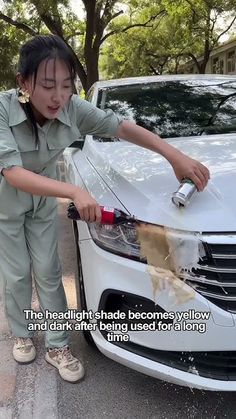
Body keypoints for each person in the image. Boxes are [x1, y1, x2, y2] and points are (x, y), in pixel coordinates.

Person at [0, 34, 210, 383]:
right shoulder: (2, 109)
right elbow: (13, 173)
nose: (58, 96)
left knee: (49, 270)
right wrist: (73, 192)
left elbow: (121, 126)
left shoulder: (72, 108)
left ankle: (57, 345)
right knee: (18, 272)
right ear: (24, 82)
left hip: (41, 202)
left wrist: (174, 155)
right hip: (7, 200)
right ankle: (22, 333)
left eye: (66, 85)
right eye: (48, 85)